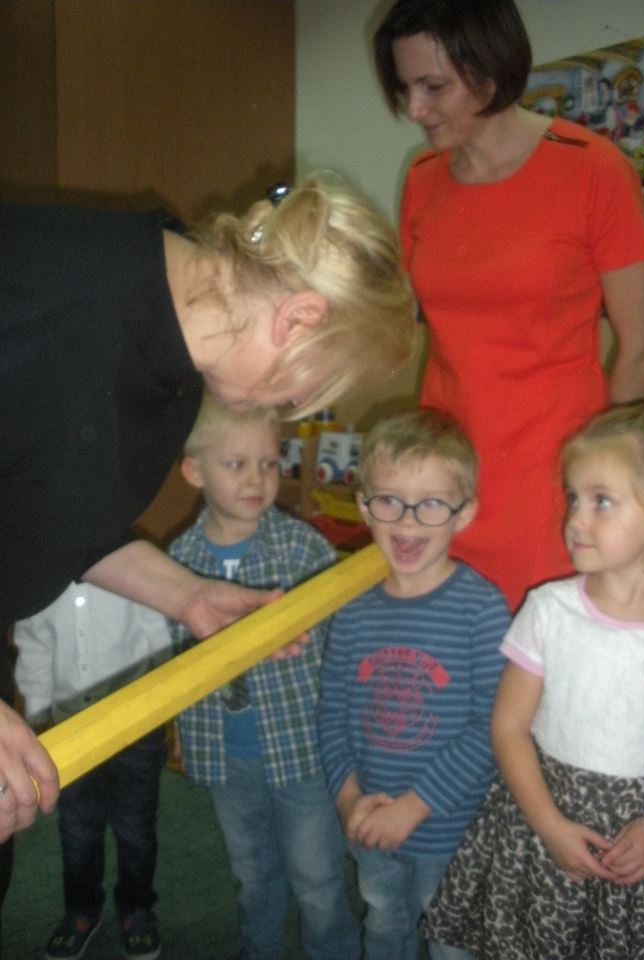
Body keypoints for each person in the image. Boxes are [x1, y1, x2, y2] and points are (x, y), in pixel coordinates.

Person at [0, 175, 414, 847]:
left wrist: (185, 594)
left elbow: (53, 515)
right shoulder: (56, 307)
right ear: (297, 320)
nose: (289, 410)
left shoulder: (178, 348)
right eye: (304, 392)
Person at [373, 0, 644, 612]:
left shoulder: (591, 170)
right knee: (446, 648)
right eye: (406, 88)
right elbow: (393, 317)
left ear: (490, 68)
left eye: (433, 86)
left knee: (537, 654)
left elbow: (641, 347)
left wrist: (601, 484)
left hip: (551, 477)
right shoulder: (423, 178)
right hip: (441, 476)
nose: (415, 109)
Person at [423, 400, 644, 959]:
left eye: (601, 501)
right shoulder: (550, 611)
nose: (576, 519)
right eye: (574, 498)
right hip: (544, 827)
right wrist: (550, 826)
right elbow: (508, 728)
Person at [168, 395, 360, 960]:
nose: (257, 478)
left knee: (318, 879)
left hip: (300, 749)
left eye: (270, 463)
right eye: (237, 464)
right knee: (252, 874)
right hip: (224, 755)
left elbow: (340, 648)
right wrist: (179, 729)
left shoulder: (304, 548)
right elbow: (179, 662)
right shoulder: (177, 561)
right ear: (194, 471)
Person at [318, 408, 510, 960]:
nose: (407, 523)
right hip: (371, 820)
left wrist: (414, 807)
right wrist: (348, 799)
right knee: (382, 926)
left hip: (448, 830)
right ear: (363, 504)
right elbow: (331, 711)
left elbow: (493, 727)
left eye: (430, 504)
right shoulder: (351, 607)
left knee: (451, 944)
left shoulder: (481, 608)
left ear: (463, 512)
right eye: (389, 501)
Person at [14, 583, 171, 960]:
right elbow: (35, 651)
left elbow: (158, 633)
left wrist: (169, 703)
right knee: (78, 830)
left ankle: (136, 908)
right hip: (70, 729)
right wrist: (34, 724)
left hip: (135, 722)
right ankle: (82, 910)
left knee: (135, 827)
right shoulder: (39, 581)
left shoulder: (131, 573)